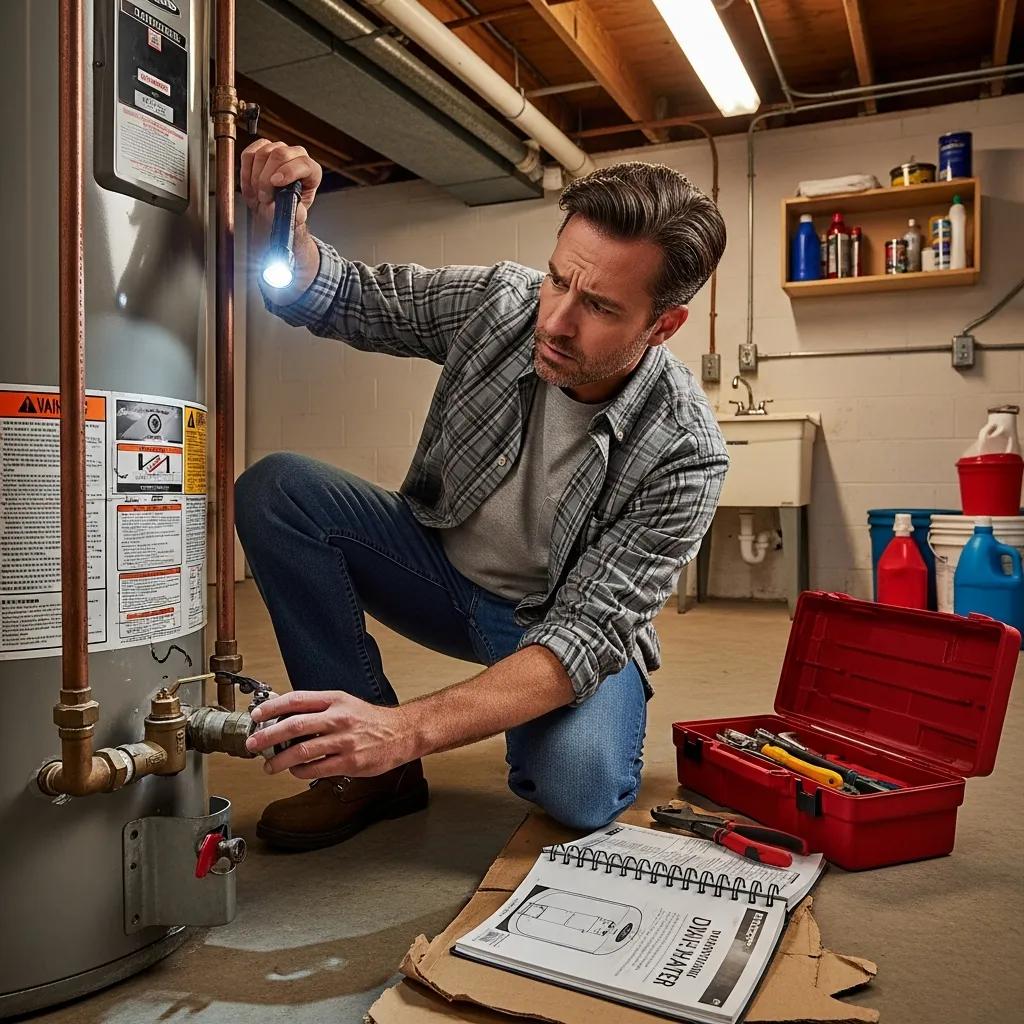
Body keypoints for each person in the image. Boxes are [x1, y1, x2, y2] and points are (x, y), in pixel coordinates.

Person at [236, 139, 728, 851]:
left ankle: (394, 746)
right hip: (435, 574)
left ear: (662, 326)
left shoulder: (686, 451)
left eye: (597, 305)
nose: (556, 320)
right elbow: (347, 297)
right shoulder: (502, 303)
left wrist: (406, 732)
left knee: (580, 790)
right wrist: (289, 226)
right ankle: (373, 777)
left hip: (556, 625)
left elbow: (584, 634)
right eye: (558, 281)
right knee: (280, 490)